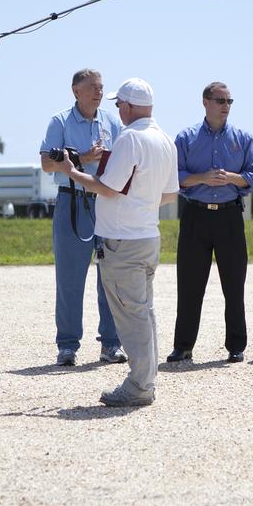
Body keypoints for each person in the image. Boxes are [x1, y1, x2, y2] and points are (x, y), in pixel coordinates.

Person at [43, 78, 178, 407]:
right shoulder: (165, 139)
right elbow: (170, 194)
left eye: (120, 104)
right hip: (148, 234)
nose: (116, 109)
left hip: (124, 238)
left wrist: (72, 171)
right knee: (144, 311)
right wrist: (140, 204)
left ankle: (140, 384)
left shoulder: (130, 138)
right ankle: (146, 377)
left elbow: (107, 188)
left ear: (130, 106)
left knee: (131, 314)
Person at [167, 82, 253, 363]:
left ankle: (236, 346)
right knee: (189, 284)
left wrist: (230, 177)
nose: (225, 105)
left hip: (230, 217)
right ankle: (183, 346)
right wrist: (202, 178)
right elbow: (175, 175)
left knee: (234, 284)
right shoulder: (185, 138)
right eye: (220, 100)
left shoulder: (243, 139)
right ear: (205, 102)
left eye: (229, 101)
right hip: (195, 215)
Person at [38, 69, 127, 367]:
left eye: (101, 87)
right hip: (72, 203)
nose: (99, 92)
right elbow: (46, 164)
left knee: (110, 278)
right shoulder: (60, 121)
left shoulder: (112, 122)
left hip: (105, 204)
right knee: (70, 279)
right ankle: (67, 345)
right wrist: (84, 159)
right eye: (92, 87)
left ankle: (111, 344)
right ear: (75, 90)